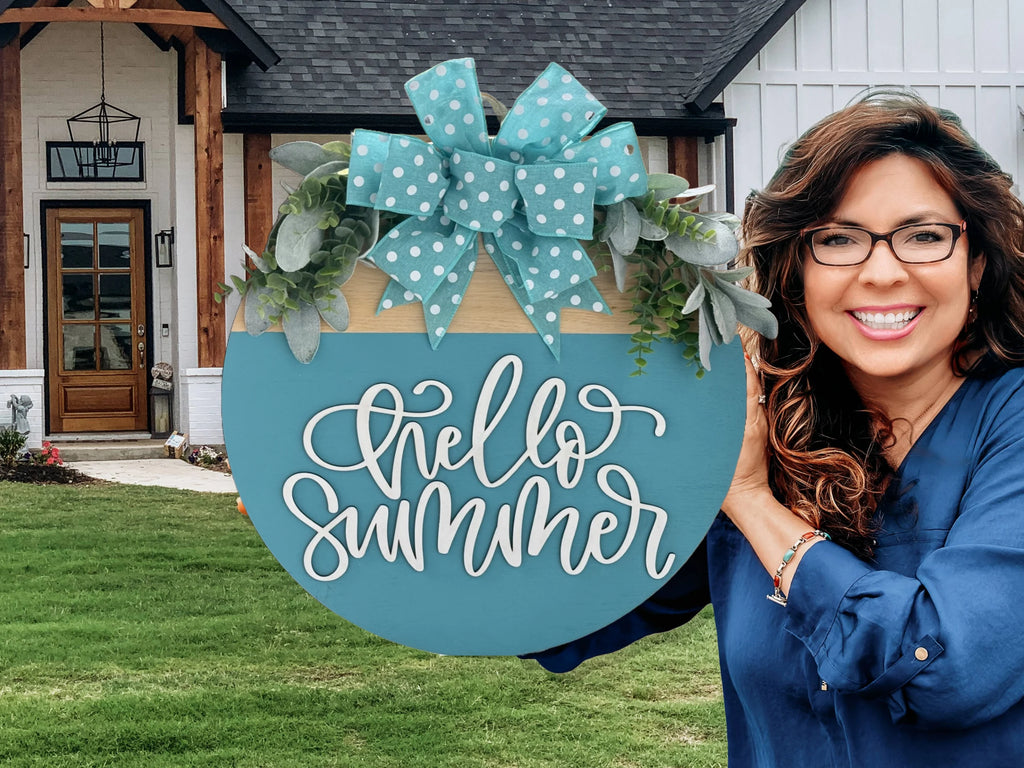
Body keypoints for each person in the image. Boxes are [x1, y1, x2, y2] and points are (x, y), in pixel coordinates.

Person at [525, 91, 1024, 766]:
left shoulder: (1008, 424)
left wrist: (751, 500)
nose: (882, 272)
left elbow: (947, 670)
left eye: (924, 236)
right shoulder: (767, 424)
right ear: (796, 270)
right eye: (838, 239)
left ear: (977, 263)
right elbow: (567, 611)